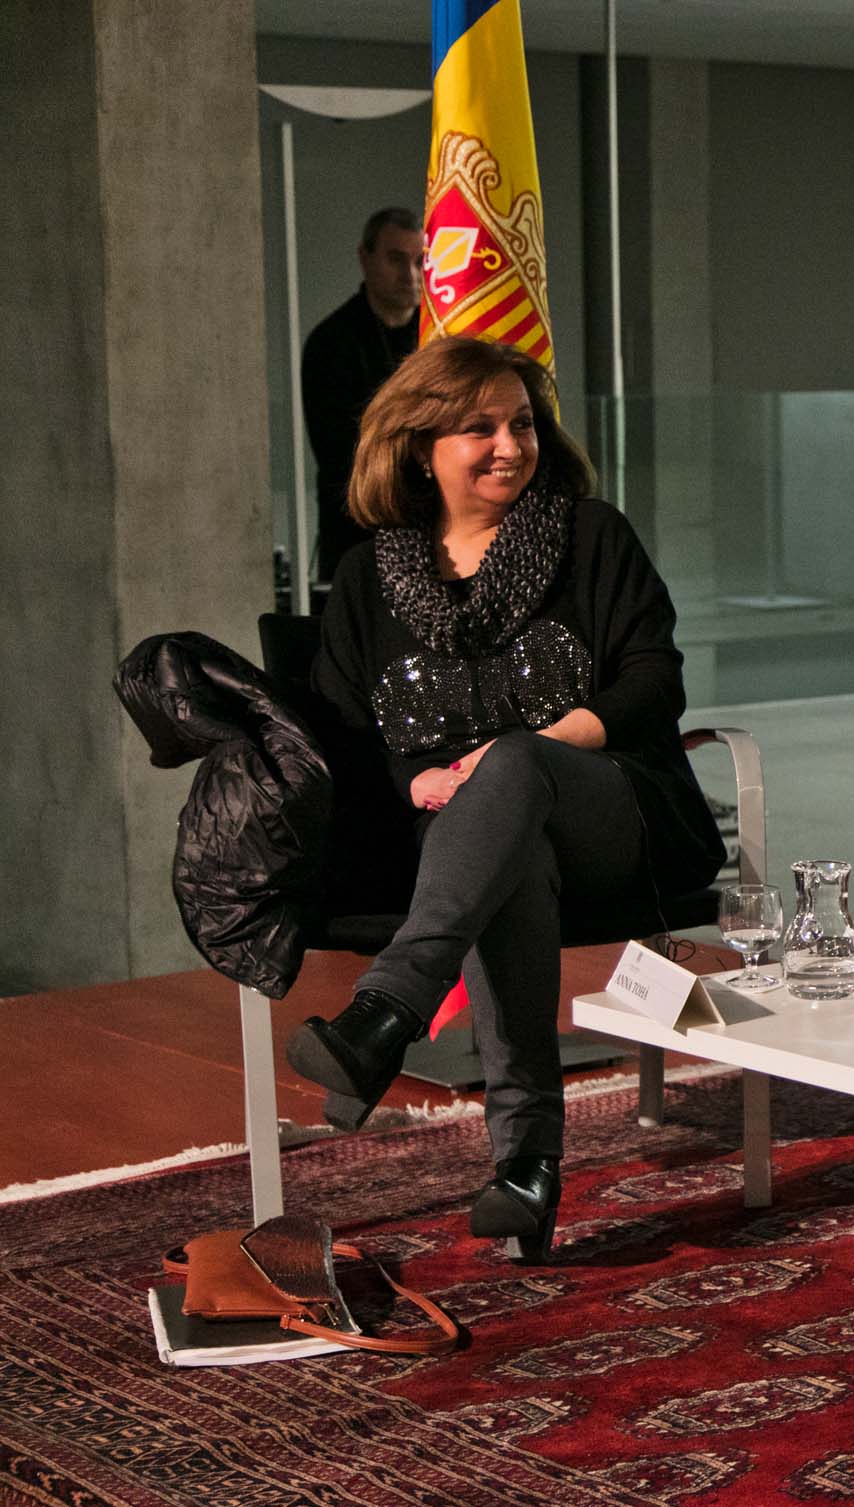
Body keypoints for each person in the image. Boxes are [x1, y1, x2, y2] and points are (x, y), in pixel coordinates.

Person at [286, 335, 724, 1263]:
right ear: (419, 447)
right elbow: (345, 736)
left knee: (515, 769)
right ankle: (525, 1167)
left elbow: (655, 681)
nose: (510, 446)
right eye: (479, 427)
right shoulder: (366, 579)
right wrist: (414, 778)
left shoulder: (591, 537)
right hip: (464, 842)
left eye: (521, 423)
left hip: (616, 808)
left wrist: (543, 745)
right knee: (507, 842)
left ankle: (387, 1011)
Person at [302, 207, 426, 585]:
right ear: (364, 257)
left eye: (420, 261)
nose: (410, 275)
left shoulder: (437, 339)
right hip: (357, 536)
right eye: (396, 259)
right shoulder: (330, 343)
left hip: (429, 532)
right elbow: (343, 455)